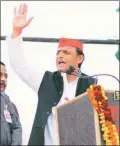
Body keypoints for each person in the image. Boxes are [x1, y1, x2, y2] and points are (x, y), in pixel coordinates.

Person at [6, 4, 97, 145]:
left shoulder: (93, 85)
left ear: (79, 59)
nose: (60, 56)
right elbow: (19, 65)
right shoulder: (46, 80)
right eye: (58, 53)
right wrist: (16, 31)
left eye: (66, 52)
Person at [0, 61, 22, 145]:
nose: (3, 79)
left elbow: (16, 127)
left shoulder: (8, 102)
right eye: (0, 75)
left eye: (6, 76)